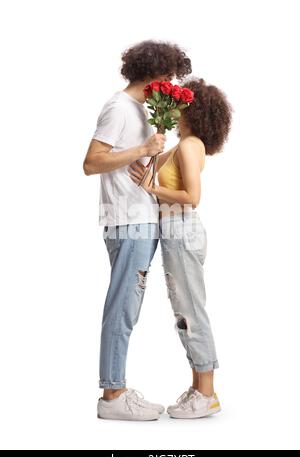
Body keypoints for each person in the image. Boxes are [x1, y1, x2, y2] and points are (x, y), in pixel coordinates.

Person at [83, 40, 192, 421]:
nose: (167, 83)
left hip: (143, 219)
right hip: (127, 222)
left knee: (130, 307)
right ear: (149, 72)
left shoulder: (141, 110)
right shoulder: (118, 107)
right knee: (122, 308)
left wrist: (154, 156)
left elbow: (137, 162)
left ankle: (117, 389)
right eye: (165, 76)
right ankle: (112, 395)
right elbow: (91, 162)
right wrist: (141, 149)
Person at [129, 78, 232, 418]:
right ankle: (199, 388)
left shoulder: (190, 145)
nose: (177, 109)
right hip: (174, 231)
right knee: (184, 313)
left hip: (182, 228)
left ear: (194, 109)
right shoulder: (182, 143)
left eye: (182, 105)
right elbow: (158, 178)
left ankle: (207, 394)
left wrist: (151, 190)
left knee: (191, 312)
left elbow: (192, 197)